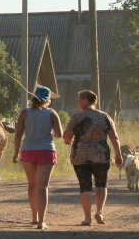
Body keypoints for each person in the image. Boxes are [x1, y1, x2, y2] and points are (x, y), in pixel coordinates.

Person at [63, 90, 123, 226]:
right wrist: (118, 154)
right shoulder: (104, 116)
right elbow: (114, 137)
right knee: (101, 184)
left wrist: (67, 140)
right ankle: (99, 211)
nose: (78, 102)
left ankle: (87, 218)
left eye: (79, 100)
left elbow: (67, 136)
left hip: (80, 156)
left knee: (85, 187)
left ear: (85, 100)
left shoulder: (76, 117)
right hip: (101, 155)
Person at [12, 86, 62, 229]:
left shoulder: (24, 113)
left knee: (32, 185)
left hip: (28, 151)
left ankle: (34, 217)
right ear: (48, 100)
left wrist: (16, 154)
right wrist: (50, 132)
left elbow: (18, 135)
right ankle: (41, 221)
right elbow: (59, 134)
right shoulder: (51, 113)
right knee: (42, 187)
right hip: (46, 150)